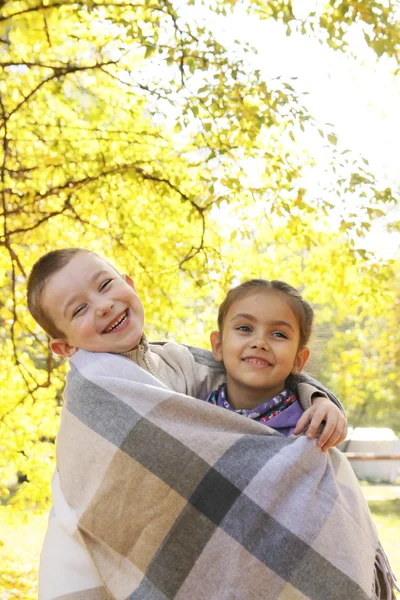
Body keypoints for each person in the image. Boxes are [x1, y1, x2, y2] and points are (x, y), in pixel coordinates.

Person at [27, 247, 346, 449]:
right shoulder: (91, 391)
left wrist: (318, 399)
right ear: (65, 346)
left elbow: (251, 366)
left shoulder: (178, 360)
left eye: (106, 285)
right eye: (79, 309)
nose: (103, 306)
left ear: (130, 284)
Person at [206, 279, 344, 451]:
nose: (259, 342)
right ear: (218, 345)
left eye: (279, 334)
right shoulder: (190, 415)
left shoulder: (310, 433)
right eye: (245, 328)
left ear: (298, 360)